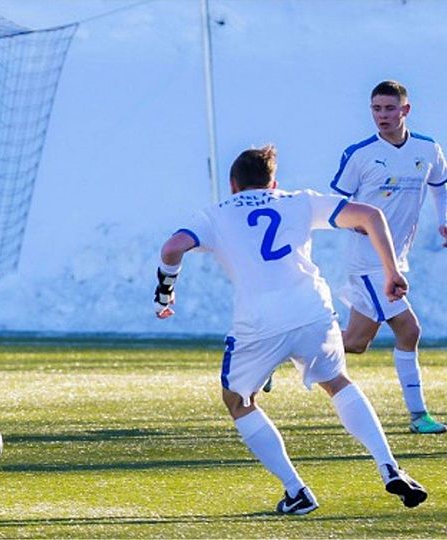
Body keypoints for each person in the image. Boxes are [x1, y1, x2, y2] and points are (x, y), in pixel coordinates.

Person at [155, 145, 427, 514]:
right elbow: (370, 215)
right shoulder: (299, 200)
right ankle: (389, 466)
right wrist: (392, 272)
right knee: (339, 383)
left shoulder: (215, 214)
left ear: (233, 185)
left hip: (259, 324)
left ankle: (296, 490)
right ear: (273, 183)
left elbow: (172, 248)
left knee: (237, 401)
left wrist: (165, 290)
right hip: (312, 311)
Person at [329, 80, 447, 434]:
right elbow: (337, 208)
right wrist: (358, 226)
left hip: (397, 259)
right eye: (376, 109)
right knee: (409, 329)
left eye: (389, 108)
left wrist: (444, 222)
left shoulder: (427, 150)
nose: (382, 115)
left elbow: (440, 186)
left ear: (405, 110)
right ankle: (418, 415)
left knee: (355, 343)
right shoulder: (360, 154)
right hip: (368, 261)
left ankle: (288, 345)